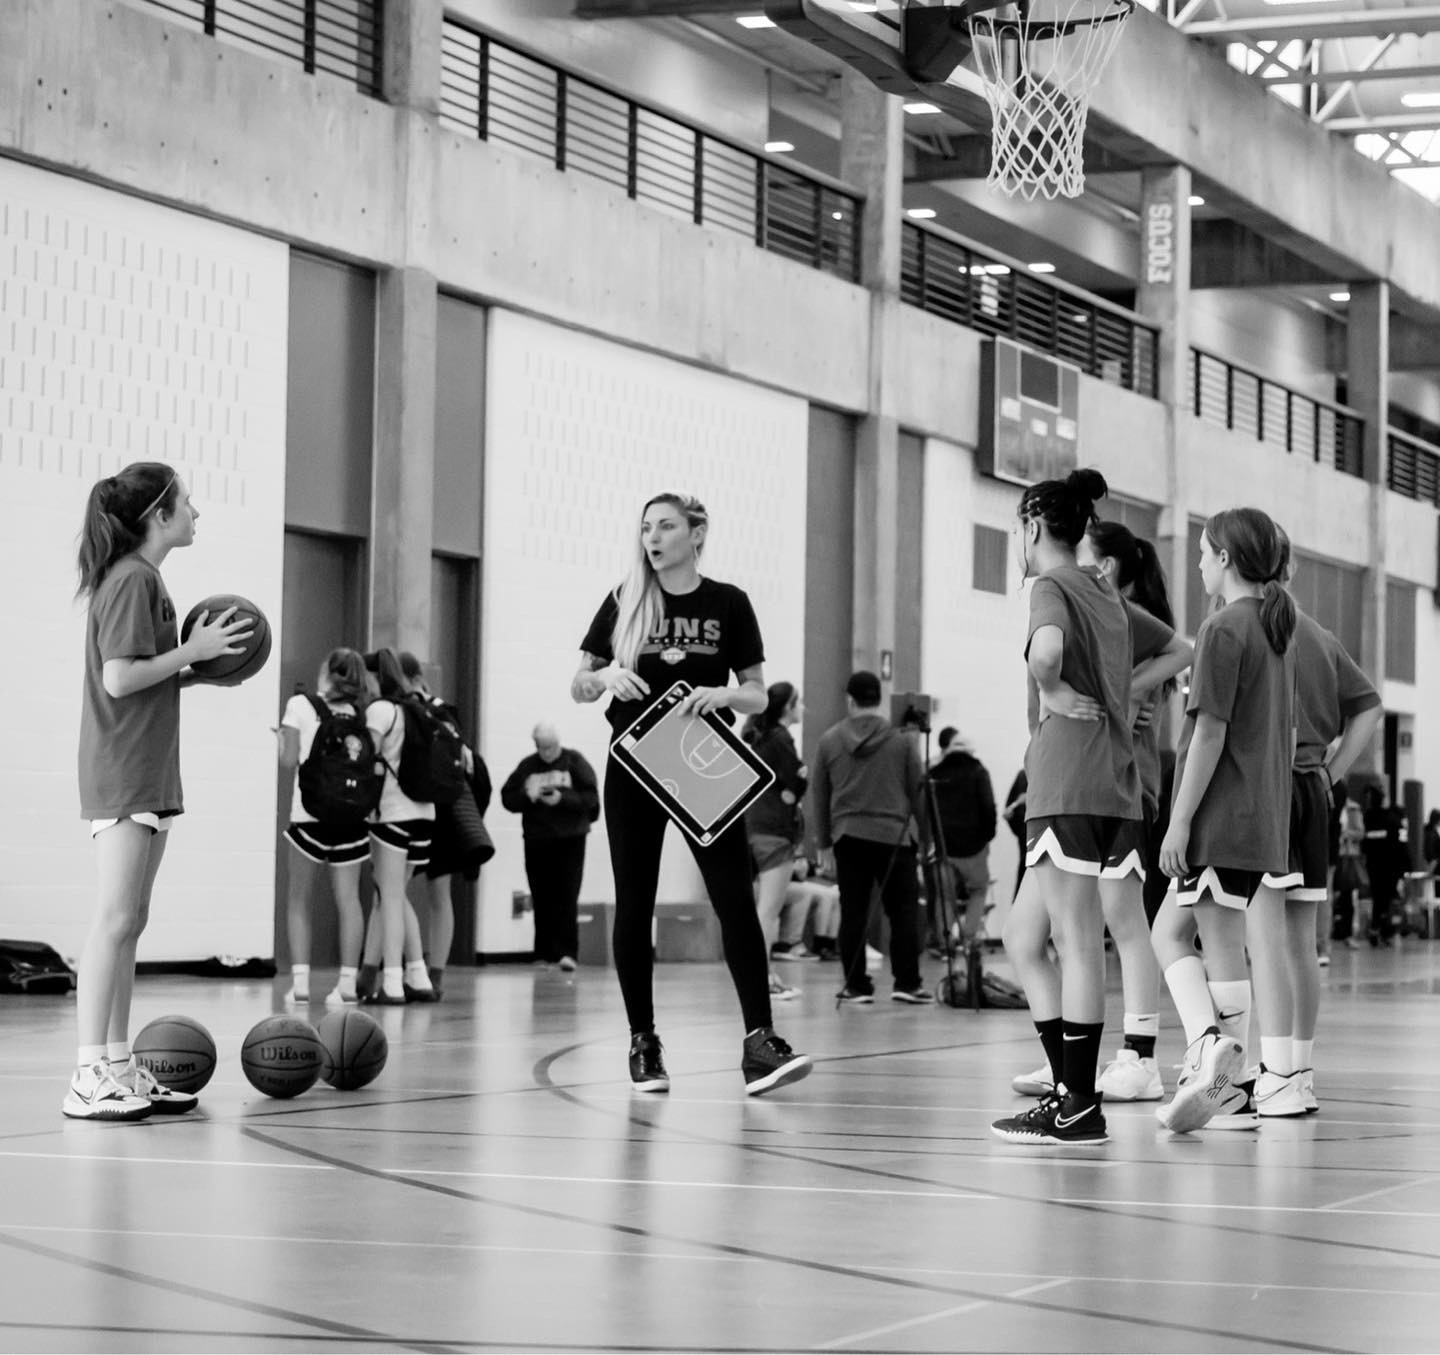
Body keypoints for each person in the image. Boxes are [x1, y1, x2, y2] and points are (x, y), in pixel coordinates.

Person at [572, 492, 811, 1096]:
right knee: (635, 900)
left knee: (734, 898)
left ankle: (760, 1040)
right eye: (646, 526)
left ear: (696, 534)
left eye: (667, 526)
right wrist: (602, 677)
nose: (653, 537)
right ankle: (643, 1042)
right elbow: (578, 684)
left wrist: (724, 696)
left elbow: (757, 693)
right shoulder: (624, 600)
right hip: (634, 762)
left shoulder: (728, 602)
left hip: (704, 764)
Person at [69, 462, 251, 1119]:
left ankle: (118, 1064)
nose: (197, 513)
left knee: (133, 921)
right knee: (113, 919)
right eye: (189, 503)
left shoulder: (149, 578)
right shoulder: (132, 578)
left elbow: (143, 673)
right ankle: (88, 1073)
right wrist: (193, 649)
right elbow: (118, 678)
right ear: (159, 514)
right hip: (122, 768)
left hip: (149, 767)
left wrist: (201, 673)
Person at [988, 470, 1163, 1148]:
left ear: (1032, 526)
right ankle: (1068, 1089)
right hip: (1110, 782)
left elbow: (1049, 652)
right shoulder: (1107, 592)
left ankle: (1079, 1104)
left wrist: (1050, 685)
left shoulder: (1052, 585)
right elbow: (1164, 650)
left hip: (1069, 780)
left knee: (1078, 942)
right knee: (1022, 938)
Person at [1011, 521, 1191, 1105]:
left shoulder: (1101, 607)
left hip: (1114, 790)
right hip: (1078, 787)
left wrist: (1125, 691)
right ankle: (1069, 1065)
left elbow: (1178, 654)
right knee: (1030, 935)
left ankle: (1134, 1056)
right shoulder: (1087, 604)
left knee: (1112, 922)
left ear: (1106, 566)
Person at [1153, 507, 1296, 1135]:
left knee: (1199, 944)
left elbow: (1209, 733)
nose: (1200, 562)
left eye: (1205, 552)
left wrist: (1179, 820)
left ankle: (1222, 1072)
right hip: (1258, 815)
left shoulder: (1223, 628)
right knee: (1188, 936)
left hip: (1218, 814)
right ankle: (1224, 1079)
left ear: (1228, 559)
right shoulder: (1276, 630)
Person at [1247, 533, 1381, 1114]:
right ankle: (1298, 1072)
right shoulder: (1320, 635)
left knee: (1263, 939)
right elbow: (1369, 706)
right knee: (1302, 942)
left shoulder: (1248, 627)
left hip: (1269, 791)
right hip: (1311, 792)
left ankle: (1273, 1071)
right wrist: (1333, 771)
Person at [811, 670, 933, 1007]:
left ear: (849, 699)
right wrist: (926, 838)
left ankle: (855, 985)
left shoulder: (829, 740)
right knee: (903, 912)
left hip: (848, 835)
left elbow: (819, 795)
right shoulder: (902, 740)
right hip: (895, 838)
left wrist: (823, 842)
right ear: (879, 700)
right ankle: (907, 983)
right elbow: (917, 792)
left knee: (853, 912)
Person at [277, 648, 374, 1008]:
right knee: (349, 900)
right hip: (353, 819)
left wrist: (281, 739)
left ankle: (300, 985)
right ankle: (347, 985)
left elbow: (289, 760)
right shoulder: (363, 712)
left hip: (309, 817)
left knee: (299, 900)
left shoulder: (301, 705)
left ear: (328, 673)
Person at [399, 652, 491, 997]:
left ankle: (430, 972)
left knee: (427, 893)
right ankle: (419, 970)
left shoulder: (436, 711)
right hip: (429, 807)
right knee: (412, 892)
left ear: (410, 678)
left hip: (438, 809)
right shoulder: (443, 710)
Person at [357, 648, 438, 1005]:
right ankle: (418, 975)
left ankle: (392, 981)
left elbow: (363, 759)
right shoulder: (415, 707)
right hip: (423, 813)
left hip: (391, 812)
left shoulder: (380, 710)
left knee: (388, 897)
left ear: (376, 676)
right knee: (396, 895)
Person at [500, 721, 600, 972]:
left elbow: (591, 799)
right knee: (541, 897)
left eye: (550, 747)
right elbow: (508, 797)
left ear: (558, 743)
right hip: (537, 839)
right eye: (541, 748)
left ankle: (567, 953)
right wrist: (528, 796)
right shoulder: (527, 766)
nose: (546, 753)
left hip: (570, 840)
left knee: (567, 896)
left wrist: (562, 798)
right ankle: (543, 953)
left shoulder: (574, 762)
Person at [742, 682, 809, 1001]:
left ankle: (758, 973)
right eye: (799, 703)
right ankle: (762, 976)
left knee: (759, 909)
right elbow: (799, 780)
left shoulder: (757, 738)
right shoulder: (780, 739)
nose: (803, 708)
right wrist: (795, 786)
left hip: (749, 827)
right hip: (774, 831)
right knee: (768, 910)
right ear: (787, 707)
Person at [926, 727, 997, 946]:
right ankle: (969, 938)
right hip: (974, 846)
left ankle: (946, 942)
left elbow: (926, 809)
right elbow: (988, 806)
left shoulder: (934, 774)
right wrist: (987, 835)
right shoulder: (978, 771)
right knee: (977, 890)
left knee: (945, 897)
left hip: (944, 847)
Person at [1362, 784, 1404, 946]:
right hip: (1388, 867)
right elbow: (1399, 845)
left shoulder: (1368, 818)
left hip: (1377, 867)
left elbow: (1366, 845)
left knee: (1380, 899)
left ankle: (1379, 928)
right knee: (1385, 899)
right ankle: (1384, 930)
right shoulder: (1391, 818)